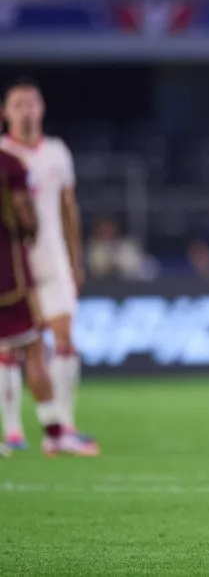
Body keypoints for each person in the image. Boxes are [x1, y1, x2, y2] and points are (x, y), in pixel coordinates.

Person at [0, 79, 90, 450]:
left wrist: (75, 258)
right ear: (6, 112)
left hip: (52, 260)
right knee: (12, 348)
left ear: (42, 109)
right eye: (18, 104)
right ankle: (13, 430)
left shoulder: (56, 152)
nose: (26, 110)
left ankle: (62, 427)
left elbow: (69, 209)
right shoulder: (3, 155)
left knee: (63, 338)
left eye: (32, 103)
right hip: (13, 265)